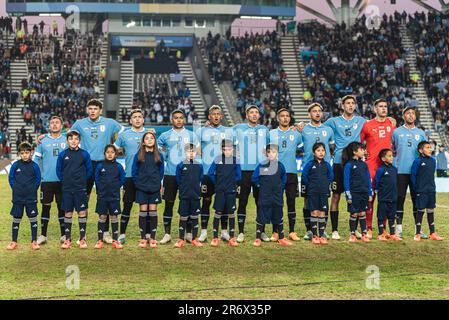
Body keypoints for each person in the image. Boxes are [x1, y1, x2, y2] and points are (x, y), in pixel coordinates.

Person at [69, 99, 124, 244]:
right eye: (90, 108)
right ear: (87, 110)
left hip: (104, 164)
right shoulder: (80, 124)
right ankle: (83, 234)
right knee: (84, 198)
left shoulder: (110, 122)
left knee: (104, 197)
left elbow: (123, 131)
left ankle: (105, 233)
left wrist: (115, 146)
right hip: (85, 164)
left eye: (95, 109)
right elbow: (66, 136)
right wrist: (44, 137)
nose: (92, 111)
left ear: (100, 110)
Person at [323, 95, 367, 240]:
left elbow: (375, 125)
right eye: (347, 103)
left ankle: (355, 230)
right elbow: (319, 126)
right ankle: (335, 230)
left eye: (352, 103)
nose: (350, 105)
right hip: (338, 163)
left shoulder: (361, 121)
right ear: (342, 105)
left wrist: (391, 120)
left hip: (355, 163)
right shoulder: (333, 121)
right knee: (336, 195)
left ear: (355, 106)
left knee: (356, 195)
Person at [157, 109, 197, 244]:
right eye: (176, 118)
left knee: (189, 204)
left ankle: (189, 233)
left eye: (181, 118)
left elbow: (198, 151)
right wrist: (166, 155)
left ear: (184, 119)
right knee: (169, 204)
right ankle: (167, 234)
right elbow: (157, 148)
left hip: (188, 175)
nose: (179, 120)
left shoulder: (191, 135)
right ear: (171, 120)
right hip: (171, 174)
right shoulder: (165, 135)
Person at [196, 105, 233, 242]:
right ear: (209, 116)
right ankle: (204, 231)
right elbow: (195, 149)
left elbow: (233, 149)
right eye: (213, 114)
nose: (216, 116)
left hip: (223, 174)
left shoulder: (228, 131)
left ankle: (224, 231)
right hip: (207, 173)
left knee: (223, 203)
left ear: (221, 116)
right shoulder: (201, 131)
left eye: (218, 114)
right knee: (205, 201)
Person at [360, 98, 396, 239]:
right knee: (370, 198)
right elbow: (359, 142)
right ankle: (368, 228)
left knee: (386, 199)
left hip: (387, 167)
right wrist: (364, 154)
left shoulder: (392, 124)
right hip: (371, 167)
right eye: (380, 106)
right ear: (375, 109)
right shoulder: (368, 125)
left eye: (385, 106)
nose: (383, 109)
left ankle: (384, 229)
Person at [233, 105, 269, 243]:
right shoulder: (238, 128)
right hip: (243, 171)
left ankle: (262, 231)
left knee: (261, 202)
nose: (254, 114)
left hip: (260, 171)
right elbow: (223, 134)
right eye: (251, 112)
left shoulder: (264, 130)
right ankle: (241, 232)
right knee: (242, 201)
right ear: (247, 115)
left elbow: (270, 148)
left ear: (259, 115)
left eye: (256, 112)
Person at [391, 106, 427, 239]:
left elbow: (425, 152)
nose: (411, 115)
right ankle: (398, 229)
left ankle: (419, 230)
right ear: (403, 116)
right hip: (401, 171)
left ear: (415, 116)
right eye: (408, 113)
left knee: (416, 200)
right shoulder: (396, 132)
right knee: (399, 199)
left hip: (417, 172)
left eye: (413, 113)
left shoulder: (421, 133)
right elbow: (390, 150)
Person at [300, 103, 334, 240]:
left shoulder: (328, 129)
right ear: (309, 114)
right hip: (309, 169)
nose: (317, 113)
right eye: (314, 111)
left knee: (323, 200)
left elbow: (332, 146)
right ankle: (309, 230)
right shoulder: (303, 129)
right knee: (307, 201)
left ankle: (323, 229)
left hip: (323, 169)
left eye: (319, 111)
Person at [113, 109, 147, 244]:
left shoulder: (149, 134)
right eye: (135, 117)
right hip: (129, 176)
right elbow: (112, 149)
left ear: (143, 120)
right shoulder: (124, 135)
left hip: (146, 177)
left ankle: (145, 235)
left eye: (140, 117)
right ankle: (122, 234)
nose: (137, 119)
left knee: (144, 207)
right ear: (130, 120)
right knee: (127, 206)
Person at [269, 108, 303, 242]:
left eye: (287, 116)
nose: (285, 118)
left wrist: (301, 127)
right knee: (276, 203)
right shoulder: (271, 134)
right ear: (278, 118)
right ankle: (275, 231)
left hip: (291, 173)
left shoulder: (296, 134)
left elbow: (302, 146)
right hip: (275, 172)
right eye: (282, 116)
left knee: (291, 202)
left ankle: (292, 231)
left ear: (290, 118)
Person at [57, 130, 93, 250]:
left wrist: (81, 181)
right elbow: (59, 171)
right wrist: (66, 181)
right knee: (68, 213)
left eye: (76, 139)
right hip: (67, 189)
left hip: (80, 189)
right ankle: (67, 239)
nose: (73, 141)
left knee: (82, 212)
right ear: (67, 140)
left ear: (79, 141)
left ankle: (82, 239)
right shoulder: (62, 155)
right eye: (71, 138)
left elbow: (89, 171)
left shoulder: (85, 154)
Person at [33, 116, 67, 245]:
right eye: (52, 123)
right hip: (46, 181)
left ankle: (64, 235)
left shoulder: (66, 139)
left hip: (62, 181)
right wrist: (38, 175)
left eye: (57, 122)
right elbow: (36, 161)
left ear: (61, 125)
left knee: (61, 208)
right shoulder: (43, 141)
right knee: (45, 208)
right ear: (49, 126)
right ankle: (43, 235)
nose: (54, 125)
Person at [251, 144, 292, 247]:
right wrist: (260, 186)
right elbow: (254, 178)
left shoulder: (280, 165)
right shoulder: (262, 165)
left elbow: (284, 178)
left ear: (277, 153)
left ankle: (281, 238)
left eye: (274, 152)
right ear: (266, 153)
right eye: (269, 152)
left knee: (278, 216)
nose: (271, 154)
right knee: (261, 216)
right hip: (265, 196)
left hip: (277, 196)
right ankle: (257, 238)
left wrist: (280, 188)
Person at [7, 142, 41, 251]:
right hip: (18, 198)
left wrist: (32, 190)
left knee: (33, 219)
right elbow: (11, 178)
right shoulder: (16, 165)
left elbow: (38, 180)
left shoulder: (34, 166)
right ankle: (14, 241)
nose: (25, 155)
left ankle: (34, 241)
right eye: (22, 153)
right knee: (16, 219)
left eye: (27, 152)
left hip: (31, 198)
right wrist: (16, 189)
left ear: (31, 153)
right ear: (19, 154)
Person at [132, 131, 164, 249]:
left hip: (154, 188)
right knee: (143, 211)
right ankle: (143, 238)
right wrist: (139, 184)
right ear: (143, 141)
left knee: (153, 211)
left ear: (154, 141)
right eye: (147, 138)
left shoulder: (159, 155)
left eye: (152, 138)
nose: (149, 140)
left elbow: (161, 172)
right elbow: (134, 172)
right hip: (142, 188)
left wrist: (157, 183)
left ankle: (153, 238)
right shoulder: (139, 155)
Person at [207, 139, 242, 247]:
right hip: (220, 191)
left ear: (232, 149)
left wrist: (231, 183)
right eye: (225, 149)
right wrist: (217, 183)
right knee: (218, 213)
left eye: (229, 149)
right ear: (221, 149)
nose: (227, 151)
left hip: (231, 191)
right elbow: (210, 173)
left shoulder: (235, 160)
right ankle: (215, 238)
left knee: (231, 213)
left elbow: (239, 176)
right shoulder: (218, 159)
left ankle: (232, 237)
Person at [410, 141, 444, 241]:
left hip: (431, 190)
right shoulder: (417, 161)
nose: (430, 149)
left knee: (431, 210)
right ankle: (417, 233)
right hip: (421, 190)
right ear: (421, 150)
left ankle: (432, 233)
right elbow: (413, 175)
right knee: (420, 211)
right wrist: (416, 188)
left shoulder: (433, 160)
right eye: (427, 147)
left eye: (430, 147)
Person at [94, 145, 126, 250]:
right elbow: (97, 179)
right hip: (102, 196)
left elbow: (122, 179)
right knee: (102, 217)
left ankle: (115, 240)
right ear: (104, 154)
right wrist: (101, 188)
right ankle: (99, 240)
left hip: (114, 197)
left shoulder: (118, 166)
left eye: (112, 152)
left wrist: (116, 187)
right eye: (107, 152)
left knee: (114, 217)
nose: (110, 154)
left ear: (115, 154)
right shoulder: (100, 166)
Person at [301, 142, 333, 245]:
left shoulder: (327, 165)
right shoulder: (310, 164)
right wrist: (310, 185)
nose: (321, 152)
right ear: (314, 152)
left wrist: (325, 183)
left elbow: (331, 176)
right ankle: (315, 235)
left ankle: (322, 235)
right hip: (312, 193)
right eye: (318, 150)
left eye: (323, 150)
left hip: (323, 193)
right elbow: (304, 176)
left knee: (322, 213)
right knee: (314, 212)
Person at [174, 144, 204, 248]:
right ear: (185, 153)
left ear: (196, 153)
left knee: (195, 217)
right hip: (184, 196)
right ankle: (181, 239)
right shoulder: (180, 165)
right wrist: (183, 189)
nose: (191, 153)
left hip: (195, 196)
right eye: (188, 151)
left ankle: (194, 239)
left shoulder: (199, 165)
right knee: (183, 217)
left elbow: (200, 179)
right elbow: (178, 180)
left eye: (193, 151)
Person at [342, 142, 372, 243]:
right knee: (354, 213)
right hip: (354, 193)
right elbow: (346, 180)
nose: (364, 151)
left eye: (364, 149)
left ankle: (364, 234)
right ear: (354, 152)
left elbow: (368, 179)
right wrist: (348, 195)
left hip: (364, 193)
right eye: (361, 149)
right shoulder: (349, 165)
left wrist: (369, 193)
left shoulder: (364, 164)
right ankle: (352, 235)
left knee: (362, 212)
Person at [374, 149, 402, 241]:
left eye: (392, 156)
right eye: (389, 156)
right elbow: (376, 182)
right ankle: (381, 233)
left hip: (393, 198)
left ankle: (392, 234)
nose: (392, 157)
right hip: (383, 198)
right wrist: (377, 191)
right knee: (381, 216)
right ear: (383, 158)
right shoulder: (380, 170)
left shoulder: (394, 169)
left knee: (391, 216)